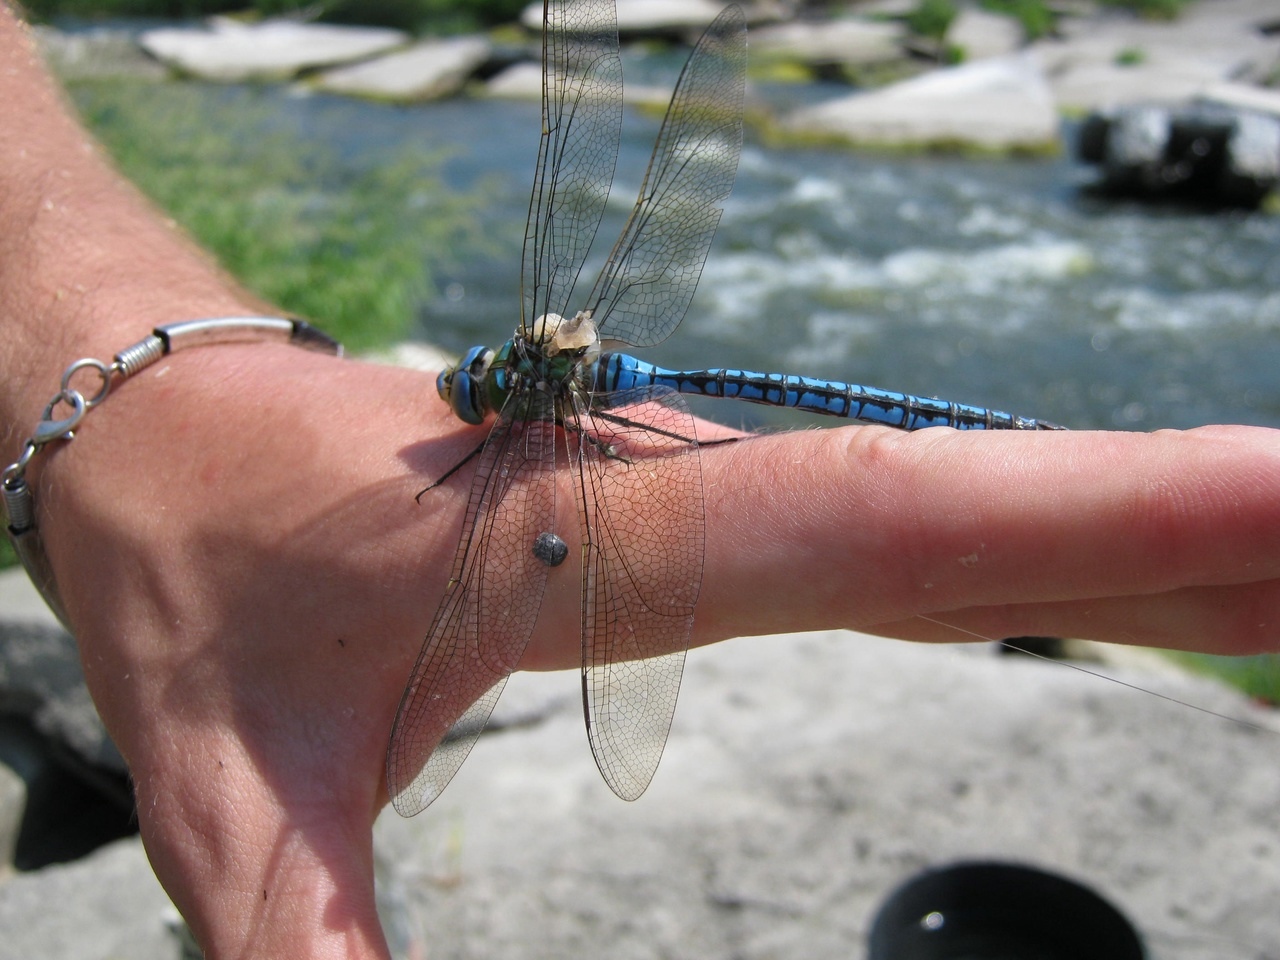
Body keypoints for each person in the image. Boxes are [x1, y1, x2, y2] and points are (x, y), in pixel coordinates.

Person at [2, 5, 1278, 958]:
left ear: (506, 388)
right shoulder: (532, 384)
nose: (462, 396)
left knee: (866, 443)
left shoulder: (519, 412)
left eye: (473, 391)